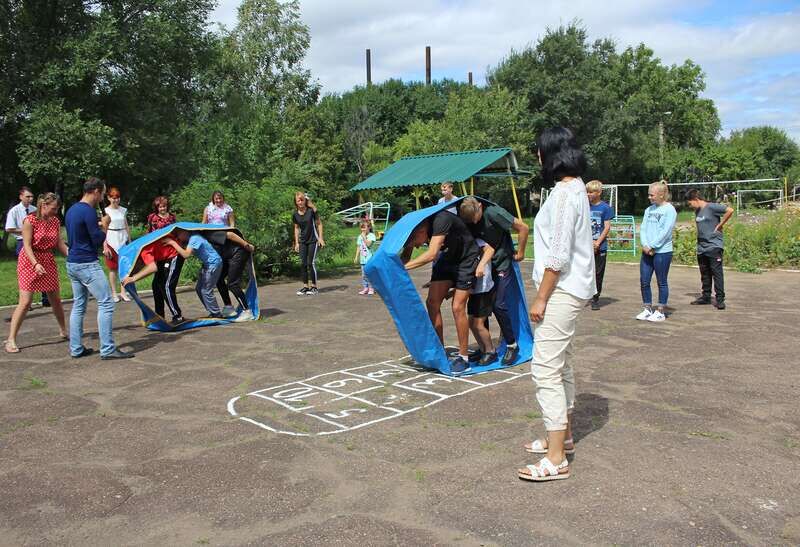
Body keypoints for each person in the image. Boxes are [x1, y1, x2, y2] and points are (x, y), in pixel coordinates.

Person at [519, 127, 595, 482]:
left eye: (539, 150)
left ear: (550, 154)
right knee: (562, 364)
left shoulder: (565, 193)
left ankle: (556, 459)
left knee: (545, 369)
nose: (537, 156)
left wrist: (541, 297)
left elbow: (558, 254)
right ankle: (562, 438)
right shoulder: (576, 187)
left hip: (561, 289)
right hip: (570, 288)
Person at [401, 209, 480, 375]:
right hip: (447, 258)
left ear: (421, 231)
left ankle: (464, 358)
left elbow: (431, 254)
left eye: (416, 242)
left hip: (466, 259)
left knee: (457, 307)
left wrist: (403, 268)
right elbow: (405, 257)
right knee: (432, 303)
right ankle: (439, 351)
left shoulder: (441, 219)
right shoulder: (414, 230)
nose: (417, 246)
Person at [65, 177, 133, 360]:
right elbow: (96, 239)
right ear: (95, 191)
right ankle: (108, 349)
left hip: (72, 262)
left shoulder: (72, 210)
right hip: (87, 263)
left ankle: (76, 348)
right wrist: (105, 226)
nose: (103, 197)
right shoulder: (88, 211)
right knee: (106, 302)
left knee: (79, 305)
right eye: (102, 193)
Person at [459, 196, 530, 366]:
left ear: (480, 207)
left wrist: (520, 252)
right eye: (470, 220)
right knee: (481, 308)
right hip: (485, 268)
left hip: (501, 263)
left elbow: (523, 227)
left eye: (475, 218)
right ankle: (486, 348)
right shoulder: (468, 217)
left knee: (499, 305)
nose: (474, 222)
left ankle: (512, 345)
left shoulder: (494, 212)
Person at [5, 193, 68, 353]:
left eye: (57, 209)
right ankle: (11, 339)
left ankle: (64, 330)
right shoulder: (30, 220)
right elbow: (26, 245)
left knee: (55, 300)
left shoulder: (55, 221)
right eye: (53, 208)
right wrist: (35, 264)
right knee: (25, 302)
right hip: (29, 260)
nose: (55, 212)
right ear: (44, 205)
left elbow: (59, 242)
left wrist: (72, 256)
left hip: (47, 260)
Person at [685, 189, 733, 310]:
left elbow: (730, 210)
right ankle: (706, 296)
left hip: (714, 246)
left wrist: (720, 225)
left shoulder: (711, 207)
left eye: (690, 203)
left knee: (717, 273)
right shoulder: (697, 211)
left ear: (695, 199)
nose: (690, 206)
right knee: (705, 273)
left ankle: (720, 299)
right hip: (702, 247)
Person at [636, 181, 677, 322]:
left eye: (652, 195)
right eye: (649, 195)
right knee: (644, 281)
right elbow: (643, 228)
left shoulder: (669, 210)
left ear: (661, 195)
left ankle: (660, 311)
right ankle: (647, 308)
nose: (649, 197)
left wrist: (653, 246)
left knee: (661, 281)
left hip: (662, 252)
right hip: (647, 251)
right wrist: (645, 245)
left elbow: (666, 231)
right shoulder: (649, 210)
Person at [162, 229, 224, 317]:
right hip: (208, 264)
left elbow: (186, 255)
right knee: (199, 289)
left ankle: (216, 313)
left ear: (184, 232)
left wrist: (172, 243)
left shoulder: (194, 238)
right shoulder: (192, 238)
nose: (177, 237)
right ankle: (212, 311)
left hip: (213, 264)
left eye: (178, 234)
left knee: (206, 290)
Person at [5, 186, 49, 307]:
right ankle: (25, 301)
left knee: (42, 268)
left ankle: (45, 297)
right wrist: (25, 230)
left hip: (37, 242)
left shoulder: (35, 209)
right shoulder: (14, 211)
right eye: (27, 196)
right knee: (27, 272)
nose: (30, 199)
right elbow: (9, 228)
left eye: (31, 197)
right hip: (22, 241)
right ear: (21, 197)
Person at [203, 229, 257, 321]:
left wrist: (246, 245)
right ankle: (229, 308)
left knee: (232, 284)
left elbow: (230, 235)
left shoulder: (209, 235)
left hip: (238, 252)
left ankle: (247, 312)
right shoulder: (199, 239)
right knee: (219, 279)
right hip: (227, 256)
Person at [146, 196, 183, 323]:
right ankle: (159, 316)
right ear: (156, 207)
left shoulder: (172, 217)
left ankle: (177, 315)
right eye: (160, 206)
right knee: (156, 285)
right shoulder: (152, 218)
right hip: (159, 255)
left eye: (164, 206)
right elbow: (149, 234)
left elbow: (176, 233)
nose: (162, 208)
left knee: (166, 285)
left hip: (172, 254)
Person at [466, 238, 497, 365]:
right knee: (471, 323)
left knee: (478, 324)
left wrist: (481, 265)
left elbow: (490, 249)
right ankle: (483, 349)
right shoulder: (463, 242)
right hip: (473, 290)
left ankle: (491, 351)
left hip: (485, 289)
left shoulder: (478, 240)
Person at [586, 180, 615, 310]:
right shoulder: (585, 206)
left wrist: (597, 242)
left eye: (591, 192)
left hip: (600, 246)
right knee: (585, 272)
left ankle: (595, 298)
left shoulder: (605, 208)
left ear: (599, 192)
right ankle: (584, 295)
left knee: (598, 273)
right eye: (587, 192)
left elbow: (607, 227)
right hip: (586, 245)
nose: (588, 194)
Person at [101, 187, 131, 303]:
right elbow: (104, 229)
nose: (116, 200)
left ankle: (123, 292)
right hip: (111, 239)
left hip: (122, 238)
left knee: (124, 268)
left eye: (117, 197)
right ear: (108, 198)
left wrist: (129, 241)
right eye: (113, 198)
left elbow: (126, 225)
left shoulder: (123, 210)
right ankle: (114, 292)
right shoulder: (105, 211)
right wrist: (105, 246)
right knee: (113, 268)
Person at [293, 191, 324, 295]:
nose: (300, 202)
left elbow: (319, 224)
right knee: (303, 264)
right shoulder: (295, 214)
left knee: (311, 263)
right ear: (296, 202)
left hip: (313, 240)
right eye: (298, 200)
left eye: (302, 200)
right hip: (302, 241)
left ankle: (314, 287)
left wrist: (320, 238)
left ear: (305, 200)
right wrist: (296, 243)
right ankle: (305, 287)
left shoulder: (311, 211)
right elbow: (296, 228)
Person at [354, 220, 376, 295]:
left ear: (369, 227)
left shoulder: (371, 236)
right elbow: (358, 247)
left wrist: (364, 237)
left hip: (370, 259)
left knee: (369, 274)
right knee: (364, 275)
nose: (363, 229)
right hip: (363, 259)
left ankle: (371, 288)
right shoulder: (359, 237)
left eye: (364, 227)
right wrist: (356, 257)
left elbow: (368, 244)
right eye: (361, 228)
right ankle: (365, 288)